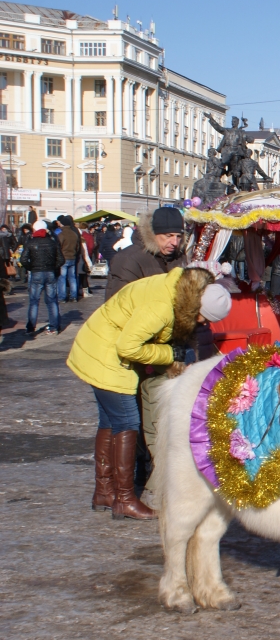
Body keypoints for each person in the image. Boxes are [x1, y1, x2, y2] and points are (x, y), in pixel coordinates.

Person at [68, 267, 231, 520]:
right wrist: (169, 357)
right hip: (107, 356)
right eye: (203, 318)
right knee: (127, 422)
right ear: (196, 306)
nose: (203, 324)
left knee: (110, 422)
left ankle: (104, 491)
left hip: (98, 346)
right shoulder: (162, 307)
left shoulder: (175, 289)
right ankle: (123, 498)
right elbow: (128, 347)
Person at [106, 208, 186, 300]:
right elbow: (120, 303)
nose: (175, 242)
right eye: (169, 236)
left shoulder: (180, 257)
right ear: (152, 234)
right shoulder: (128, 259)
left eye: (179, 236)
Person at [20, 219, 63, 335]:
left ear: (35, 229)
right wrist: (53, 267)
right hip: (50, 273)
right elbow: (61, 259)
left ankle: (30, 327)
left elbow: (23, 259)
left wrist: (31, 267)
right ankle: (54, 327)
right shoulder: (52, 242)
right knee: (52, 300)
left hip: (36, 273)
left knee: (34, 301)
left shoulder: (31, 242)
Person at [55, 216, 81, 303]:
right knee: (72, 277)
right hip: (72, 257)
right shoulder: (74, 234)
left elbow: (58, 247)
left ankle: (62, 297)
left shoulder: (61, 235)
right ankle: (74, 296)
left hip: (63, 258)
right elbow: (77, 247)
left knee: (62, 278)